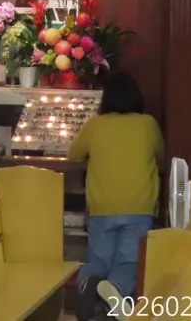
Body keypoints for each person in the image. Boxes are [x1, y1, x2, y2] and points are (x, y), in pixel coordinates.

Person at [67, 72, 164, 319]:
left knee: (97, 260)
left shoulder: (95, 125)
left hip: (102, 207)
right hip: (139, 207)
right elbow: (161, 154)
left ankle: (88, 286)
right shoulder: (148, 124)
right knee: (128, 263)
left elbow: (73, 154)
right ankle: (112, 294)